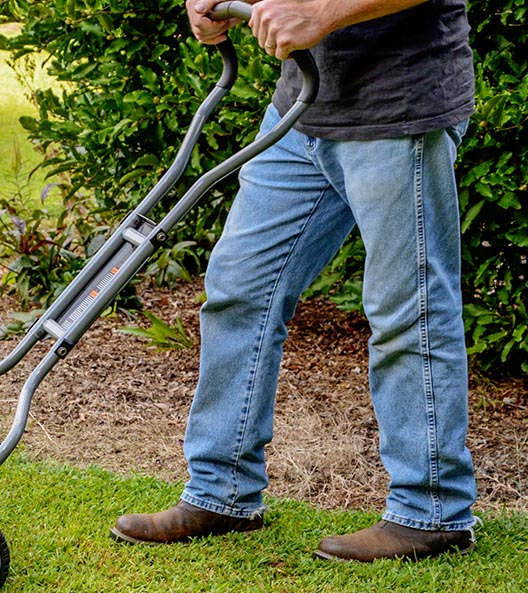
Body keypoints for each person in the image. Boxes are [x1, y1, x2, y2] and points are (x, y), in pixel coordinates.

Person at [111, 0, 478, 561]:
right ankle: (221, 491)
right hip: (303, 108)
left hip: (396, 107)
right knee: (240, 289)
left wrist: (321, 12)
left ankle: (431, 511)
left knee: (409, 311)